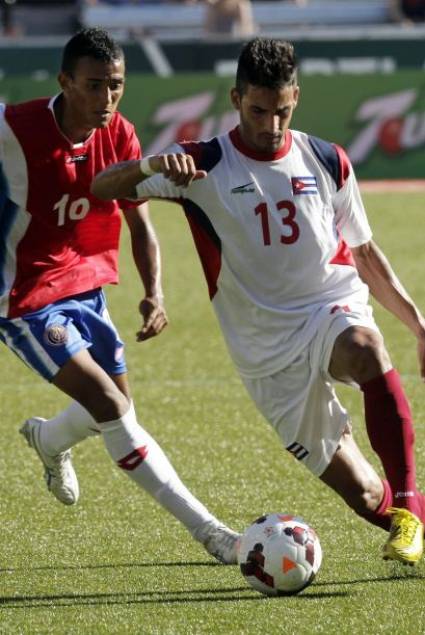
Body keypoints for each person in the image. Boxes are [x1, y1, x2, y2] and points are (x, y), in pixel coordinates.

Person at [92, 37, 425, 566]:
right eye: (258, 111)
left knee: (364, 348)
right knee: (363, 494)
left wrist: (419, 327)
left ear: (295, 96)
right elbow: (102, 186)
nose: (271, 125)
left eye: (282, 111)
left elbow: (363, 253)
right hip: (266, 354)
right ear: (235, 98)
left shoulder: (326, 158)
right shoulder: (202, 165)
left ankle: (409, 506)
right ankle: (406, 513)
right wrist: (151, 164)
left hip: (328, 308)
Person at [0, 27, 239, 564]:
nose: (107, 97)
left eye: (116, 85)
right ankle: (212, 534)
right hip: (25, 295)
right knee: (109, 405)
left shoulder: (122, 134)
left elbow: (141, 226)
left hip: (87, 285)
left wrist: (155, 293)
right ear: (64, 81)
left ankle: (49, 441)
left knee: (119, 407)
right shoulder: (14, 129)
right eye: (94, 85)